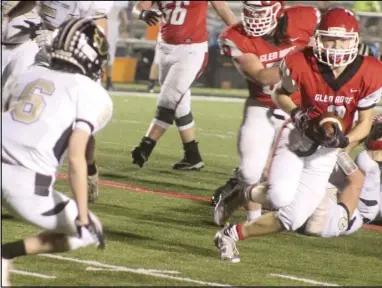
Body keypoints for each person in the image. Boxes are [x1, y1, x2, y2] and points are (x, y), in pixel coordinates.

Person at [213, 8, 382, 263]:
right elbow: (279, 93)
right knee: (280, 196)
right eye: (329, 39)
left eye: (342, 40)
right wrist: (297, 114)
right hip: (297, 137)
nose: (336, 47)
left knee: (293, 219)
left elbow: (365, 123)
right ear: (318, 38)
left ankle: (230, 233)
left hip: (327, 149)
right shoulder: (299, 60)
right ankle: (240, 194)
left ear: (355, 40)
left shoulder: (371, 71)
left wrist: (344, 142)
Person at [1, 18, 113, 286]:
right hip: (27, 186)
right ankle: (5, 253)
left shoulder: (27, 75)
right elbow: (76, 155)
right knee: (89, 231)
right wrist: (83, 216)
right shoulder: (91, 92)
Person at [211, 0, 320, 223]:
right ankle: (251, 216)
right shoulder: (234, 36)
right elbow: (260, 75)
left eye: (261, 12)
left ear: (278, 9)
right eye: (250, 11)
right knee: (250, 172)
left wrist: (323, 46)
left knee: (299, 177)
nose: (255, 17)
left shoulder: (304, 17)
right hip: (263, 105)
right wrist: (304, 60)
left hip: (301, 107)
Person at [2, 1, 113, 203]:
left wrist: (59, 39)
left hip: (80, 56)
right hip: (43, 48)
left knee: (79, 124)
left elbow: (99, 28)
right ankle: (21, 174)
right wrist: (8, 16)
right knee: (29, 105)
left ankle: (89, 168)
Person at [131, 1, 237, 170]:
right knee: (179, 103)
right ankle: (192, 156)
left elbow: (221, 7)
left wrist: (241, 34)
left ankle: (146, 145)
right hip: (164, 48)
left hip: (192, 50)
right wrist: (143, 14)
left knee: (169, 99)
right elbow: (137, 7)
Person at [106, 1, 129, 91]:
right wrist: (124, 30)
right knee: (107, 53)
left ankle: (108, 80)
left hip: (112, 24)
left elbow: (123, 15)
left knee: (110, 54)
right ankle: (106, 80)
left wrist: (124, 30)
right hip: (108, 23)